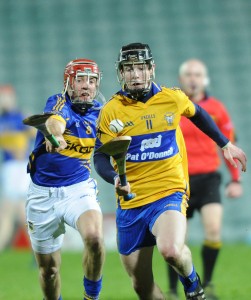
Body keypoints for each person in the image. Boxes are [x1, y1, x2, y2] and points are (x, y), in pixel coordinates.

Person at [93, 43, 247, 300]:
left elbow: (198, 114)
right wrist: (115, 178)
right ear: (121, 72)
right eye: (128, 68)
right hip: (131, 202)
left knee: (171, 250)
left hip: (168, 190)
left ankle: (194, 287)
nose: (135, 74)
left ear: (151, 69)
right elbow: (99, 155)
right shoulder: (111, 110)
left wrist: (225, 143)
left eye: (140, 67)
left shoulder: (171, 97)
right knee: (142, 286)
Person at [25, 59, 105, 300]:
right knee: (48, 270)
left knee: (94, 238)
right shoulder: (58, 102)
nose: (86, 86)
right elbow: (54, 121)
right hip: (42, 195)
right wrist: (55, 135)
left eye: (92, 80)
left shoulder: (101, 114)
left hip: (77, 189)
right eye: (80, 79)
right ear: (69, 83)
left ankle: (91, 297)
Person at [166, 59, 243, 300]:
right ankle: (172, 289)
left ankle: (207, 284)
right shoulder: (172, 107)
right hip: (180, 180)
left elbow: (228, 144)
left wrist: (234, 180)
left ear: (204, 79)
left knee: (213, 230)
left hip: (209, 178)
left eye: (197, 74)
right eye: (188, 74)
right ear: (181, 79)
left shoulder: (217, 108)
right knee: (176, 241)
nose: (193, 78)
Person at [0, 85, 33, 251]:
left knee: (11, 210)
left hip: (18, 167)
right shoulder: (2, 119)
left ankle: (38, 247)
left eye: (5, 96)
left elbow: (32, 133)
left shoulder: (20, 116)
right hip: (10, 167)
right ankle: (38, 248)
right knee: (18, 210)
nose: (3, 100)